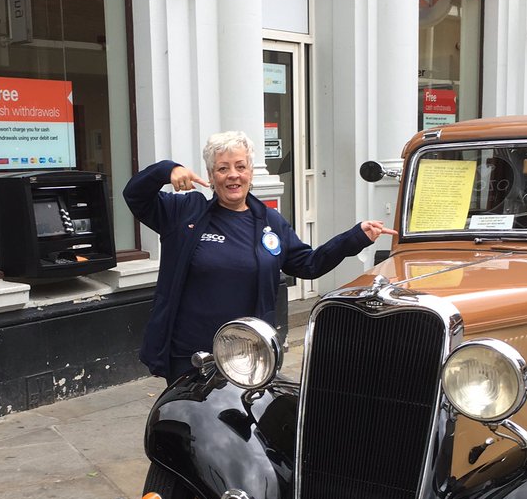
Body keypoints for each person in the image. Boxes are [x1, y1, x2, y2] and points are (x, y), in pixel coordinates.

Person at [124, 130, 390, 382]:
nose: (233, 176)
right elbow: (135, 195)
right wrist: (167, 170)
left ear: (250, 172)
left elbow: (308, 265)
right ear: (210, 175)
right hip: (192, 356)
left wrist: (354, 237)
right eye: (223, 168)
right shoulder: (184, 213)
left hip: (249, 356)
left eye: (240, 167)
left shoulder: (269, 221)